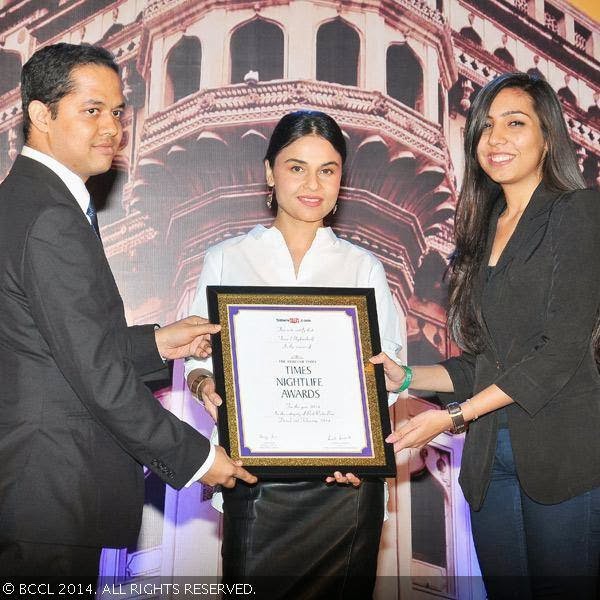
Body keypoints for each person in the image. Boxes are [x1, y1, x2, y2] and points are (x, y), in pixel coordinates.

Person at [0, 43, 256, 579]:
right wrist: (199, 459)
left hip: (35, 490)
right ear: (41, 115)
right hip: (49, 492)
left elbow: (49, 347)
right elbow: (94, 374)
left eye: (117, 112)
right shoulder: (50, 215)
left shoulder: (29, 199)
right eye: (91, 110)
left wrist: (157, 344)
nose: (112, 128)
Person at [371, 72, 600, 599]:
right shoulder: (478, 231)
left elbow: (559, 351)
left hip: (563, 458)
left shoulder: (578, 212)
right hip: (489, 466)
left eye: (515, 123)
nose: (495, 139)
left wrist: (451, 417)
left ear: (548, 135)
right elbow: (485, 361)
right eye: (485, 127)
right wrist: (407, 375)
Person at [185, 110, 405, 598]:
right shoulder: (226, 258)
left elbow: (385, 376)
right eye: (296, 167)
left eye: (327, 169)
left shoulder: (362, 266)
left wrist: (363, 450)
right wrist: (204, 385)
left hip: (344, 484)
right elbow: (196, 353)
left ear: (341, 180)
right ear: (270, 172)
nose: (313, 184)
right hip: (255, 476)